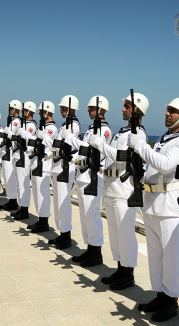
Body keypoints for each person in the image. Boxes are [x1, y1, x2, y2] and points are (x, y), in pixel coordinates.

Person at [128, 98, 179, 322]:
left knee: (170, 254)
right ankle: (160, 293)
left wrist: (140, 146)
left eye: (173, 111)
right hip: (153, 199)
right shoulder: (165, 138)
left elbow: (166, 165)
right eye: (167, 110)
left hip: (169, 202)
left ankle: (172, 299)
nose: (167, 114)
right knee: (155, 253)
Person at [90, 92, 149, 290]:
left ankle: (128, 273)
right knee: (114, 231)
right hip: (112, 185)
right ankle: (119, 267)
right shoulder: (122, 132)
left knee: (125, 232)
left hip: (124, 188)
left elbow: (121, 157)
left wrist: (100, 145)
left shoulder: (137, 133)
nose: (123, 109)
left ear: (137, 110)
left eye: (127, 106)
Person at [64, 96, 111, 267]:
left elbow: (93, 151)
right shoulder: (92, 129)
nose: (88, 110)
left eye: (91, 108)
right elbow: (84, 151)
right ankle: (90, 248)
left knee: (92, 215)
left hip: (93, 177)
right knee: (84, 216)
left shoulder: (105, 130)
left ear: (100, 109)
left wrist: (71, 139)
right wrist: (73, 157)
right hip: (83, 176)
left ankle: (96, 252)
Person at [49, 95, 81, 250]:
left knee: (63, 201)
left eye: (63, 108)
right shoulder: (63, 125)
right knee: (57, 201)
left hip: (65, 166)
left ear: (71, 108)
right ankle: (61, 232)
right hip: (57, 165)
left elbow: (68, 143)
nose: (60, 110)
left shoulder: (73, 125)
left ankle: (66, 235)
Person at [27, 101, 55, 233]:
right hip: (36, 163)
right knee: (37, 193)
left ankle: (44, 221)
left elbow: (50, 145)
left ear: (48, 112)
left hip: (44, 165)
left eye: (41, 111)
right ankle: (41, 218)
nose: (39, 113)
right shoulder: (43, 127)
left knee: (42, 193)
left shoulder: (52, 128)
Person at [11, 101, 37, 221]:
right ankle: (22, 206)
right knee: (19, 182)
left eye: (25, 110)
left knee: (24, 182)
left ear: (30, 111)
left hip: (26, 155)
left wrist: (22, 132)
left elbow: (29, 138)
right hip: (20, 153)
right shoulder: (24, 123)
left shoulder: (31, 125)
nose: (22, 112)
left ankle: (25, 208)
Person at [0, 100, 22, 211]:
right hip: (9, 150)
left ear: (15, 108)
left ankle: (13, 201)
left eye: (10, 108)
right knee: (7, 176)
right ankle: (11, 199)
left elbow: (11, 135)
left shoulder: (17, 121)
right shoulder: (13, 121)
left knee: (10, 176)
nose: (9, 110)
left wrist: (7, 132)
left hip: (12, 151)